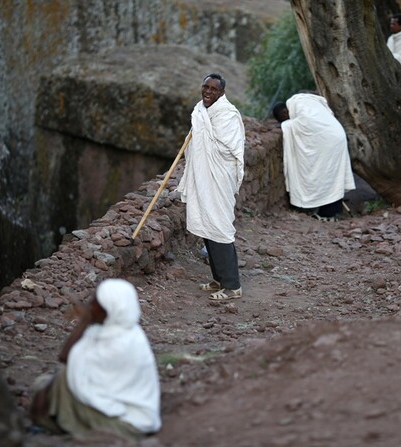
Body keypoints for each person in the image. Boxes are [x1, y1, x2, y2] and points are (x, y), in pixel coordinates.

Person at [29, 279, 161, 442]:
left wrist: (85, 319)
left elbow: (66, 359)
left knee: (58, 381)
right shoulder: (115, 330)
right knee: (44, 384)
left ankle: (56, 426)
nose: (90, 305)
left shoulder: (121, 343)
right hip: (114, 403)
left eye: (95, 302)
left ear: (109, 308)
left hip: (127, 423)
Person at [176, 73, 245, 301]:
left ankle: (232, 286)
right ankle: (218, 279)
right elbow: (198, 141)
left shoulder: (228, 115)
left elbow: (229, 150)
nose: (207, 92)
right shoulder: (200, 111)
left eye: (213, 89)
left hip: (218, 177)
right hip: (203, 177)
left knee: (220, 227)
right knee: (207, 224)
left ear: (222, 93)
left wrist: (205, 142)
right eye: (205, 87)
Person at [272, 92, 355, 222]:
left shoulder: (298, 104)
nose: (288, 120)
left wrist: (286, 126)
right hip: (335, 135)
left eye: (285, 119)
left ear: (284, 113)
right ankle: (331, 211)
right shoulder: (305, 100)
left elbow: (306, 121)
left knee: (328, 176)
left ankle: (328, 214)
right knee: (331, 176)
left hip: (329, 140)